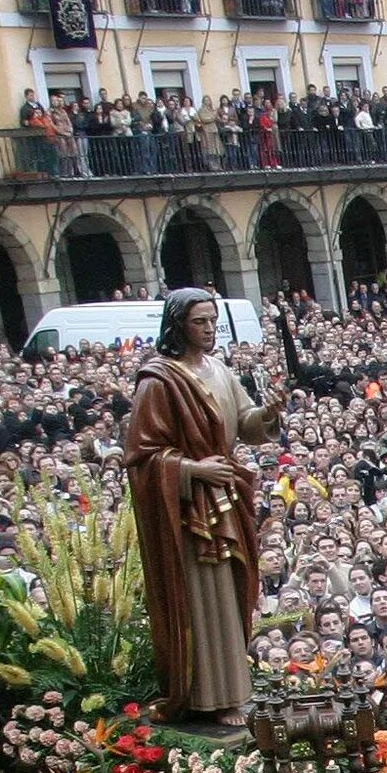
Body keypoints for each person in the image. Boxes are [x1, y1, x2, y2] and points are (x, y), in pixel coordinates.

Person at [126, 287, 277, 723]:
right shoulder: (159, 380)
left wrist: (267, 414)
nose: (210, 330)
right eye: (200, 322)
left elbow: (244, 423)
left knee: (231, 591)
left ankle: (235, 686)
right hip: (188, 506)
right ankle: (210, 696)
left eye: (213, 321)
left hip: (224, 493)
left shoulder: (219, 370)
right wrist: (192, 471)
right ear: (178, 325)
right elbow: (142, 455)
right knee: (204, 596)